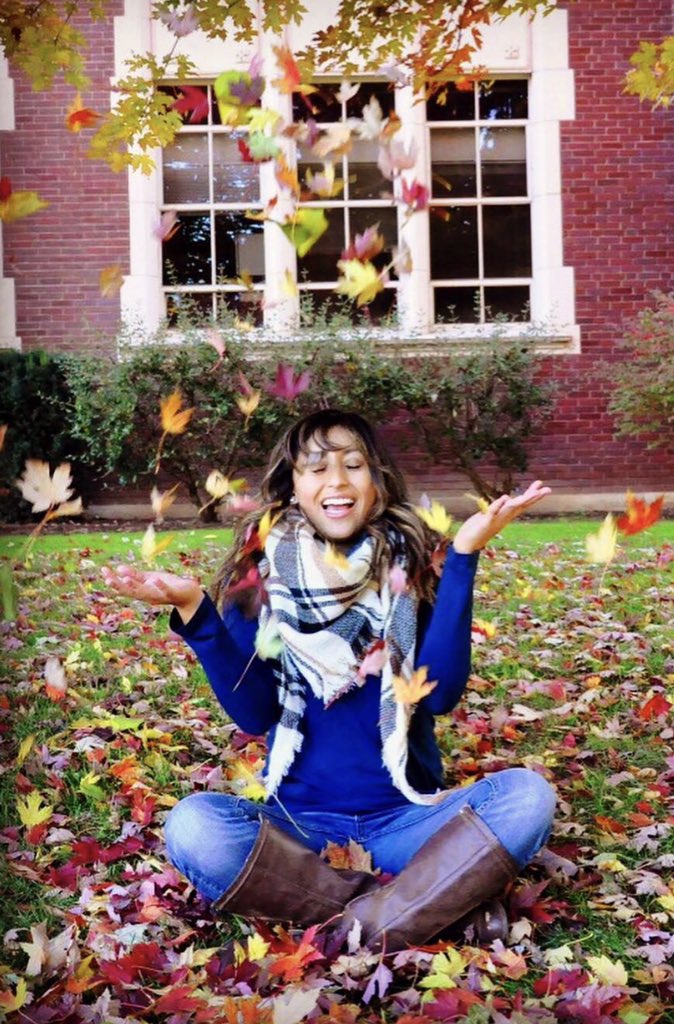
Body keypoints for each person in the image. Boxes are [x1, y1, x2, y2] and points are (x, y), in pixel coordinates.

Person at [102, 408, 556, 952]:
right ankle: (423, 906)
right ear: (292, 487)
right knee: (195, 827)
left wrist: (461, 557)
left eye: (353, 465)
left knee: (526, 797)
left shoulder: (409, 577)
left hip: (410, 821)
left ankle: (351, 915)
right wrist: (196, 611)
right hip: (298, 831)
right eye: (316, 468)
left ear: (376, 482)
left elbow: (443, 696)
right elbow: (255, 715)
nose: (336, 482)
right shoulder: (259, 584)